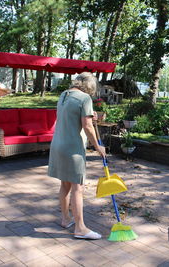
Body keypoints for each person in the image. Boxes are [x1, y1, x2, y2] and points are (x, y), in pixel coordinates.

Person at [48, 72, 106, 240]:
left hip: (57, 144)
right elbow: (87, 126)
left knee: (65, 185)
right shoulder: (85, 98)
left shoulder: (64, 94)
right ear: (90, 86)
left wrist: (90, 115)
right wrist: (98, 147)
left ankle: (66, 219)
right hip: (72, 148)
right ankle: (80, 228)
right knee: (77, 188)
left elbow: (74, 117)